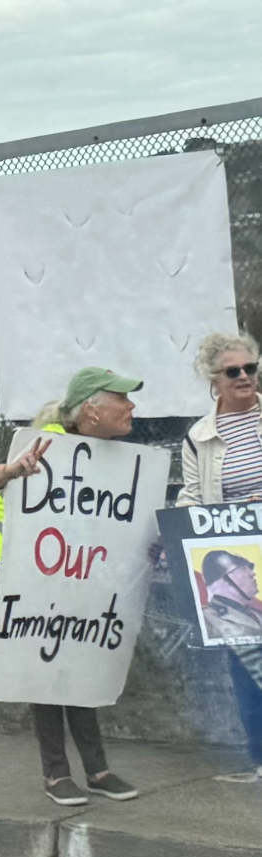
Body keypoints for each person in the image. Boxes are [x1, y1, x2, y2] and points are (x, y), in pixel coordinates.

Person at [0, 367, 144, 806]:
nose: (131, 406)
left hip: (80, 574)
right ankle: (55, 774)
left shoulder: (111, 454)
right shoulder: (46, 443)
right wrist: (14, 470)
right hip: (29, 575)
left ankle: (97, 770)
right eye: (121, 399)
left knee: (79, 665)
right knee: (46, 669)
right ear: (91, 410)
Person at [177, 332, 262, 782]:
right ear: (215, 380)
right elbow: (192, 495)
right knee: (246, 662)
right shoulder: (199, 436)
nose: (245, 376)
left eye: (251, 368)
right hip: (237, 558)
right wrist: (177, 526)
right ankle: (260, 757)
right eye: (234, 371)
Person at [200, 551, 262, 642]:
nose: (252, 573)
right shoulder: (207, 619)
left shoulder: (257, 614)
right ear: (221, 581)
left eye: (249, 567)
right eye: (242, 568)